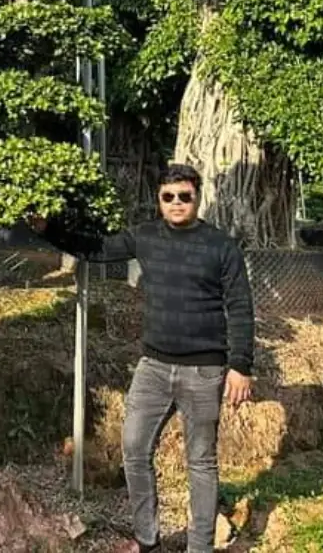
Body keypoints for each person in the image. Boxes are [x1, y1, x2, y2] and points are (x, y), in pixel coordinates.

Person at [29, 163, 254, 553]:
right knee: (134, 449)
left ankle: (199, 546)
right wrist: (50, 230)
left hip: (204, 370)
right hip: (152, 367)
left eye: (185, 196)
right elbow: (96, 248)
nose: (177, 203)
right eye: (169, 197)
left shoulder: (221, 246)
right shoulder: (145, 236)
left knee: (200, 462)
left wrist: (240, 365)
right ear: (159, 200)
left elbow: (240, 307)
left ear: (198, 197)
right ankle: (148, 540)